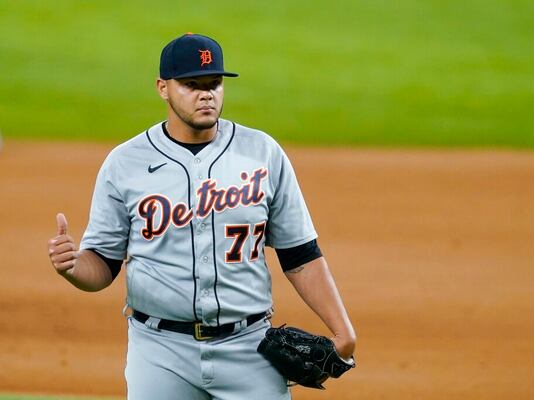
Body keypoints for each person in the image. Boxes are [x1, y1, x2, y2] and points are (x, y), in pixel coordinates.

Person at [47, 33, 356, 399]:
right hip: (159, 353)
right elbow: (103, 265)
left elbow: (300, 256)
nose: (206, 93)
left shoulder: (263, 154)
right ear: (163, 88)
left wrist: (343, 332)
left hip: (250, 348)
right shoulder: (124, 163)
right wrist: (74, 266)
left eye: (214, 83)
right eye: (191, 84)